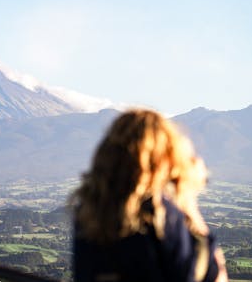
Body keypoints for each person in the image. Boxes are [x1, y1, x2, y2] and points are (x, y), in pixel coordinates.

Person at [71, 109, 228, 282]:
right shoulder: (158, 214)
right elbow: (214, 276)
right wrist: (187, 197)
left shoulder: (88, 213)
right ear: (159, 159)